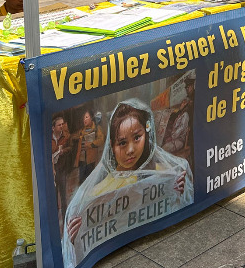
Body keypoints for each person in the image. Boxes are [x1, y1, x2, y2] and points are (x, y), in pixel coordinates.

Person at [62, 100, 193, 268]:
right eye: (122, 143)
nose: (130, 149)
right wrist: (75, 239)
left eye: (137, 137)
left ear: (147, 135)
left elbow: (175, 221)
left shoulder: (164, 175)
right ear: (112, 146)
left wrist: (179, 194)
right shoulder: (97, 194)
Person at [73, 110, 104, 185]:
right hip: (82, 160)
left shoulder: (97, 128)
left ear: (91, 118)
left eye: (86, 117)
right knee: (81, 181)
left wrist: (90, 144)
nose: (85, 120)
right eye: (84, 118)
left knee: (90, 181)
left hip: (91, 160)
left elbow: (101, 140)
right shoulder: (82, 131)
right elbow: (73, 136)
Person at [51, 115, 73, 221]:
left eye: (62, 124)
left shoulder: (66, 136)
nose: (61, 126)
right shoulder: (49, 138)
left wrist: (63, 151)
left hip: (62, 168)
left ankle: (65, 219)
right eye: (59, 125)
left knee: (64, 196)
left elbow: (71, 147)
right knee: (54, 196)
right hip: (52, 170)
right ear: (53, 128)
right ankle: (55, 219)